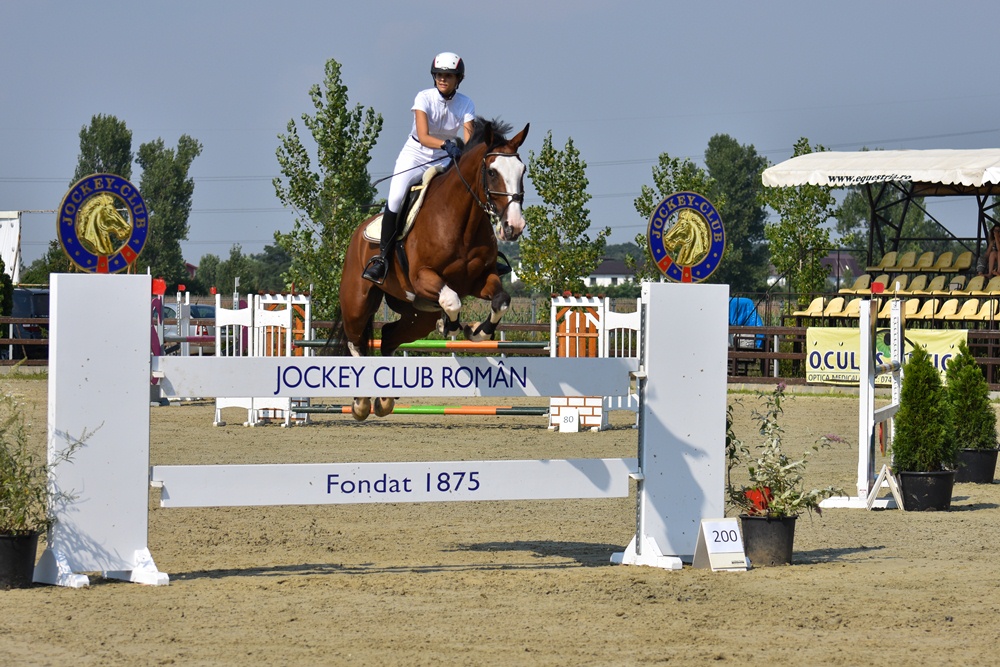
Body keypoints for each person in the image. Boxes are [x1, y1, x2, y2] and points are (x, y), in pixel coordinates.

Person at [362, 52, 477, 284]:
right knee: (395, 198)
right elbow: (423, 136)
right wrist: (446, 144)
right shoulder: (423, 97)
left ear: (458, 79)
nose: (442, 79)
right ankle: (382, 259)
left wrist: (467, 151)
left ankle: (482, 253)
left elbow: (469, 139)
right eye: (439, 74)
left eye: (448, 75)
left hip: (445, 158)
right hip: (416, 154)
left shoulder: (466, 103)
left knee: (470, 192)